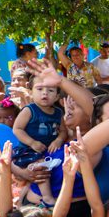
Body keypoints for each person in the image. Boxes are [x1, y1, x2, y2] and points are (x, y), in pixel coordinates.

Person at [11, 71, 67, 206]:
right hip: (28, 151)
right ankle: (47, 197)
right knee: (40, 167)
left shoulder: (58, 112)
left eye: (50, 90)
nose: (45, 93)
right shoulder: (29, 110)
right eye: (40, 89)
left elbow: (63, 131)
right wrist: (32, 142)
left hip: (46, 151)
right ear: (31, 92)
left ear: (57, 96)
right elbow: (17, 129)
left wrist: (58, 140)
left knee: (45, 167)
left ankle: (22, 199)